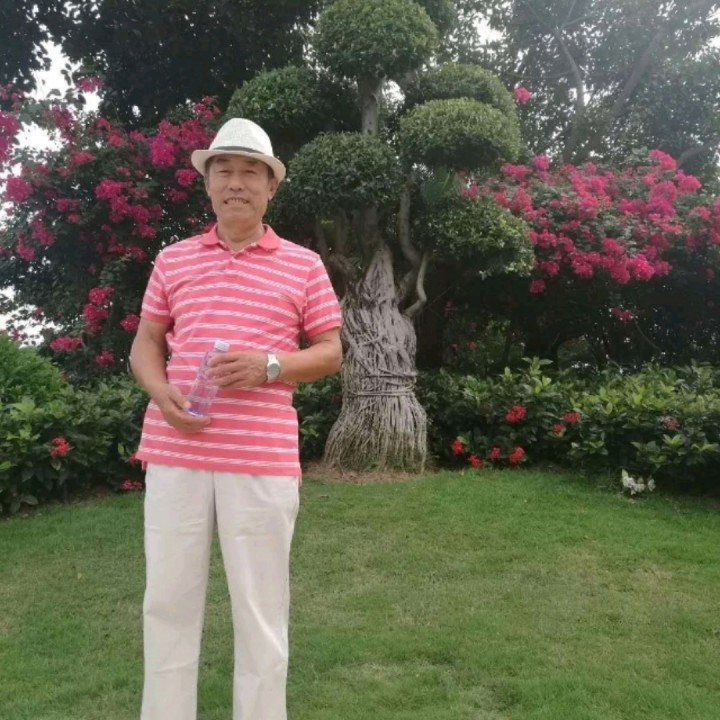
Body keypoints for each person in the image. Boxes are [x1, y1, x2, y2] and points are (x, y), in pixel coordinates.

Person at [129, 117, 342, 720]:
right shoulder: (173, 260)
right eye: (223, 169)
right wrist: (160, 391)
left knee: (260, 611)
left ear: (271, 186)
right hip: (176, 450)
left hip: (260, 460)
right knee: (167, 604)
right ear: (208, 183)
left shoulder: (303, 265)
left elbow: (330, 352)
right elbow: (146, 344)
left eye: (251, 171)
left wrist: (270, 365)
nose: (236, 182)